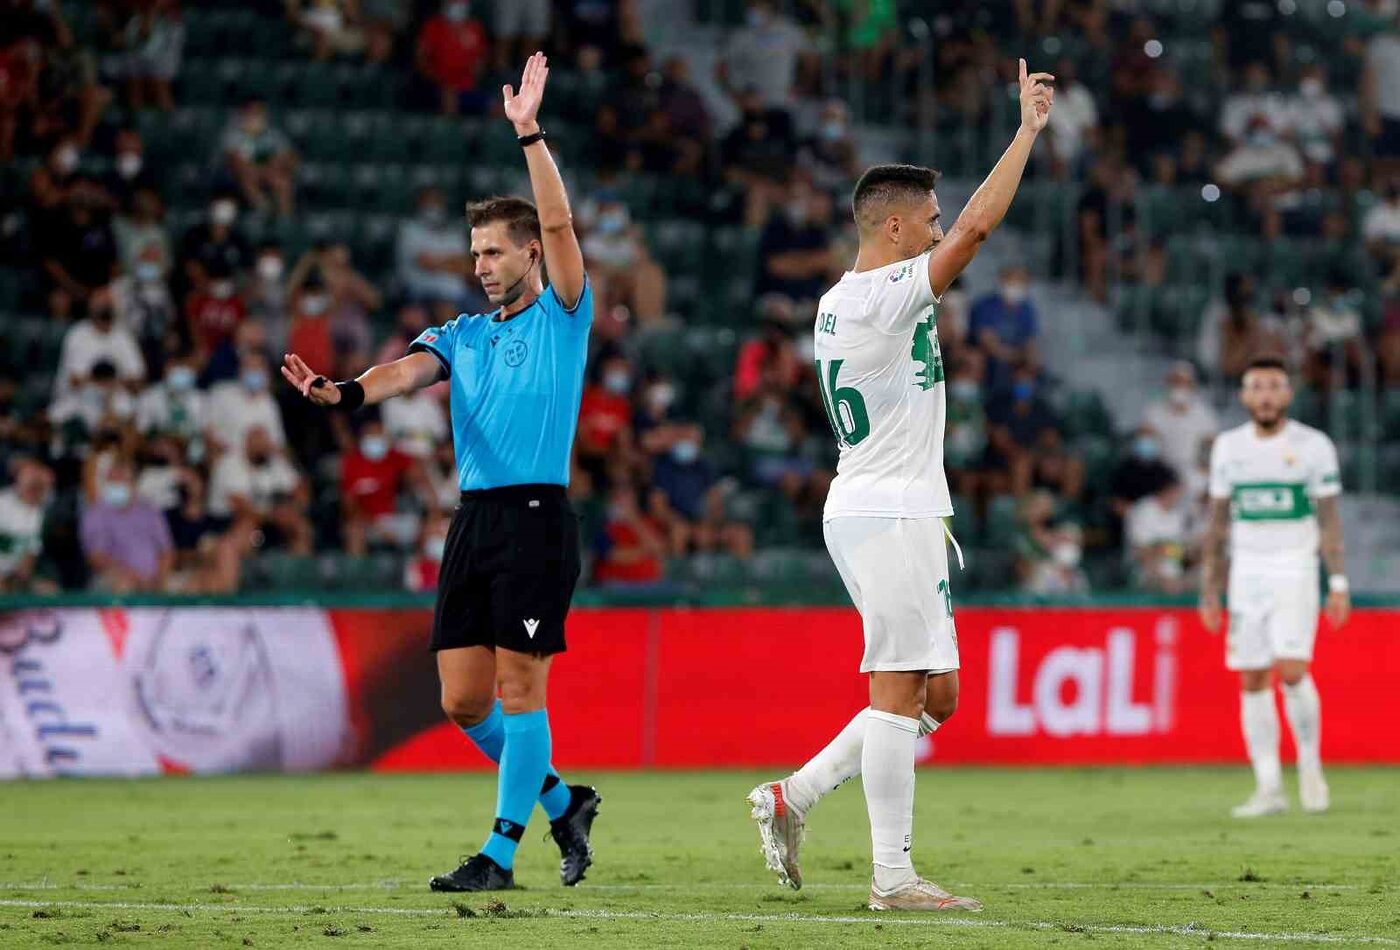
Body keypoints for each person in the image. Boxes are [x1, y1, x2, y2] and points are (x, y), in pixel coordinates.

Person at [281, 54, 599, 892]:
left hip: (536, 515)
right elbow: (401, 374)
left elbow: (564, 229)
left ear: (530, 252)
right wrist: (343, 391)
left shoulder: (566, 313)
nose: (482, 264)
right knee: (463, 701)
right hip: (475, 521)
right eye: (475, 253)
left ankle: (499, 853)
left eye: (495, 251)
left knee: (521, 690)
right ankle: (563, 801)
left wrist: (529, 132)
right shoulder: (462, 334)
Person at [748, 59, 1054, 911]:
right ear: (889, 228)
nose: (938, 229)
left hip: (894, 507)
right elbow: (980, 232)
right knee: (897, 689)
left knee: (938, 697)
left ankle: (794, 795)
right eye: (926, 220)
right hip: (888, 512)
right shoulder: (883, 294)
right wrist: (1026, 132)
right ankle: (893, 879)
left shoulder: (848, 297)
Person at [1199, 355, 1348, 819]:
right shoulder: (1228, 446)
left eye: (1274, 386)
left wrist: (1338, 582)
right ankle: (1268, 787)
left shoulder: (1313, 445)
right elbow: (1218, 524)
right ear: (1244, 396)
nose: (1265, 394)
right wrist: (1210, 588)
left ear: (1288, 394)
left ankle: (1309, 765)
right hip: (1246, 573)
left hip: (1296, 569)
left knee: (1291, 670)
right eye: (1256, 385)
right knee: (1251, 677)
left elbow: (1328, 521)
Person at [80, 458, 173, 593]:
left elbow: (166, 551)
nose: (116, 485)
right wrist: (133, 575)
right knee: (124, 584)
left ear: (134, 484)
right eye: (112, 480)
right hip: (115, 575)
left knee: (197, 583)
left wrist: (160, 579)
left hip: (155, 577)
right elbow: (96, 558)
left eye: (121, 480)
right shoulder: (96, 513)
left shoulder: (150, 511)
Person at [1141, 361, 1220, 481]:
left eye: (1184, 383)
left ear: (1192, 385)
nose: (1180, 387)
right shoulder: (1155, 412)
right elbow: (1146, 444)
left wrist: (1205, 470)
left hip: (1194, 473)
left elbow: (1210, 445)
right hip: (1162, 472)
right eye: (1176, 382)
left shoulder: (1204, 414)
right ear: (1168, 383)